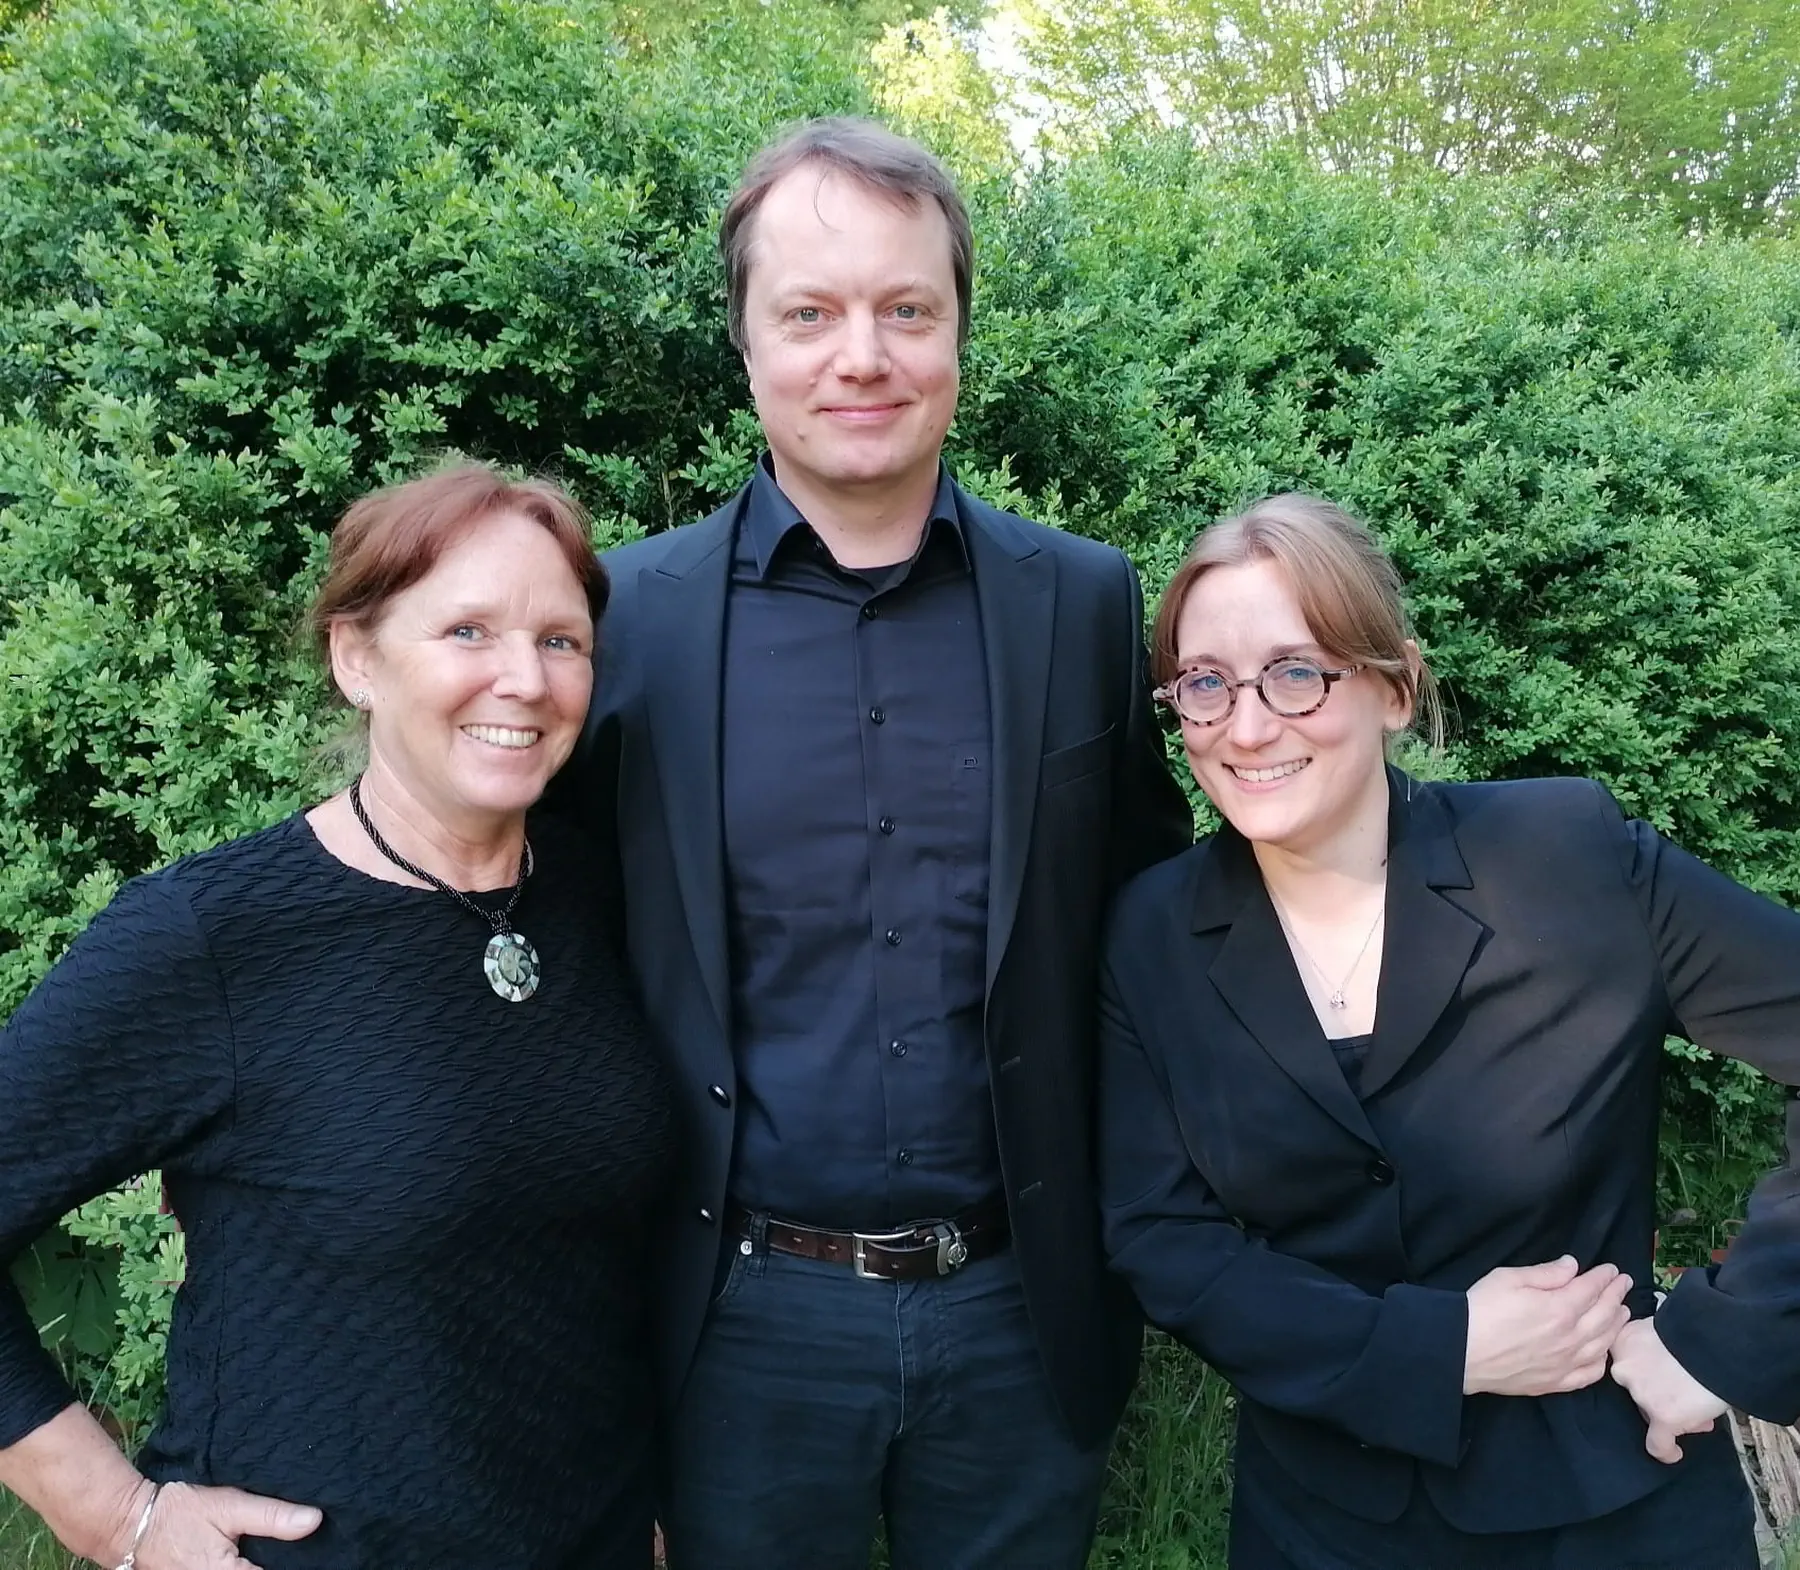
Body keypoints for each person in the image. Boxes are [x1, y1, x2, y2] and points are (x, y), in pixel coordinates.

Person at [555, 117, 1192, 1569]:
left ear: (959, 332)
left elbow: (1153, 926)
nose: (863, 356)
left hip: (1022, 1311)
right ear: (744, 340)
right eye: (810, 313)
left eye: (907, 308)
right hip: (733, 1320)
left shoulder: (1083, 602)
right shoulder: (624, 620)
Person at [1098, 490, 1799, 1569]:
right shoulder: (1151, 933)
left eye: (1296, 673)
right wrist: (1442, 1348)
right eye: (1205, 683)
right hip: (1320, 1522)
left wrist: (1726, 1340)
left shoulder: (1567, 855)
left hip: (1615, 1508)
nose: (1247, 726)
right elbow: (1163, 1238)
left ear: (1394, 686)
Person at [0, 464, 674, 1569]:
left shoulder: (603, 896)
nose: (524, 679)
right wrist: (117, 1517)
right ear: (357, 658)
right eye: (467, 630)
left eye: (561, 640)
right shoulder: (214, 939)